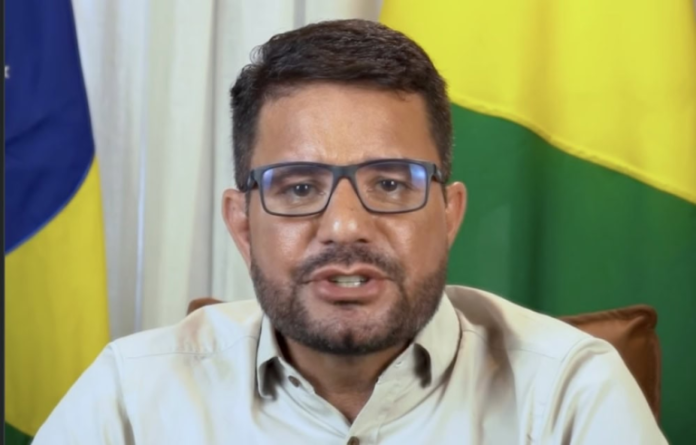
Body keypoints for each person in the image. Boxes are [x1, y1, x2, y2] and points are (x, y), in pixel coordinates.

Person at [35, 19, 666, 444]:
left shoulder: (571, 393)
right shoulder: (130, 396)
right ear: (242, 224)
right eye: (299, 188)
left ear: (448, 215)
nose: (345, 226)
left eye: (390, 183)